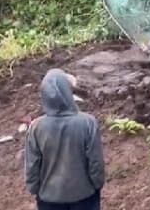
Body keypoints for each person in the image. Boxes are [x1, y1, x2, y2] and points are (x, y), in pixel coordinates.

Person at [24, 69, 104, 210]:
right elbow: (95, 162)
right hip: (84, 196)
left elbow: (32, 166)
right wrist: (97, 185)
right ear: (69, 92)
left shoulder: (36, 128)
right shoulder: (88, 123)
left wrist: (34, 188)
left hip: (49, 198)